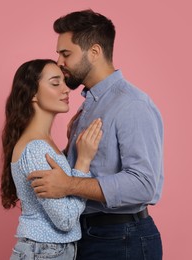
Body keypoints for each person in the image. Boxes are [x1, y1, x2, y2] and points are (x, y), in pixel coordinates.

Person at [27, 9, 164, 260]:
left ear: (94, 52)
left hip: (122, 237)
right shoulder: (90, 104)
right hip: (90, 235)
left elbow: (144, 185)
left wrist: (68, 185)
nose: (59, 61)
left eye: (66, 53)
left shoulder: (131, 105)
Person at [0, 59, 103, 260]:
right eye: (55, 83)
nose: (66, 90)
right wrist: (83, 161)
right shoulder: (36, 148)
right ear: (32, 94)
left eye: (64, 82)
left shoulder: (42, 143)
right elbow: (64, 220)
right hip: (45, 251)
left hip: (47, 250)